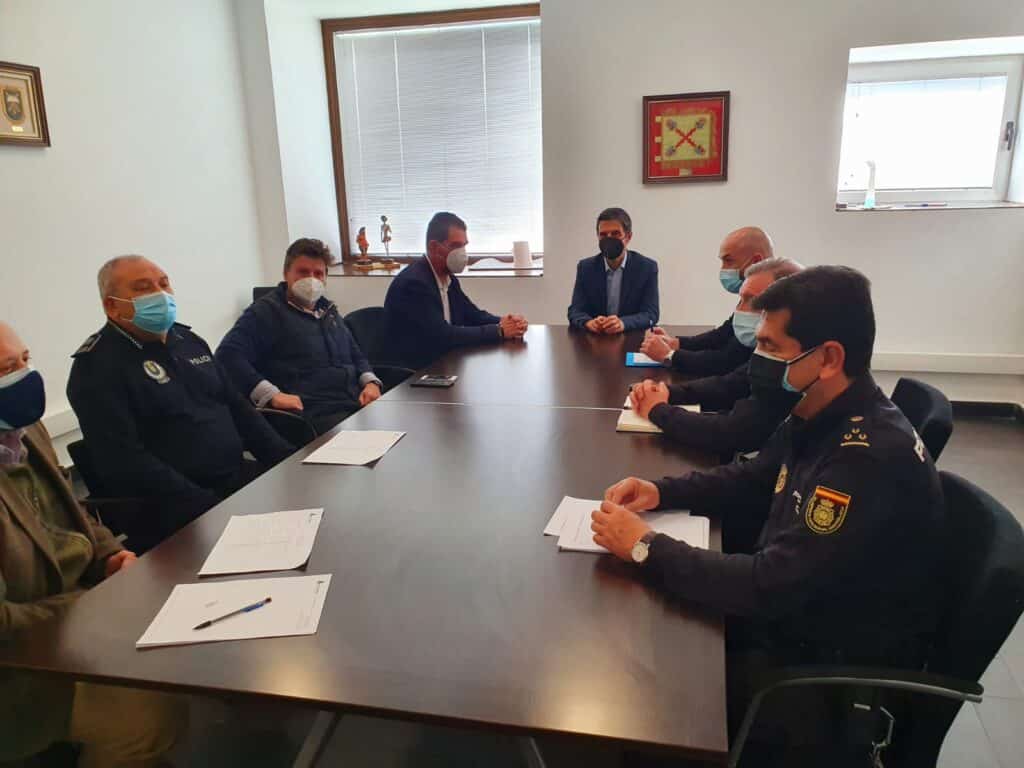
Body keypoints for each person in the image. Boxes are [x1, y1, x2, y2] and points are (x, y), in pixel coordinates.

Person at [594, 266, 944, 758]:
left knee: (645, 687)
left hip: (817, 669)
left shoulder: (864, 457)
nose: (757, 360)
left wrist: (644, 545)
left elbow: (768, 585)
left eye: (771, 347)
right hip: (795, 615)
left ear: (828, 358)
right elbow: (752, 477)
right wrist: (658, 491)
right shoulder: (819, 409)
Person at [0, 322, 186, 767]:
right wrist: (92, 605)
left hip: (81, 621)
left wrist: (109, 556)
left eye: (25, 360)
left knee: (181, 659)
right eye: (6, 369)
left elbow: (75, 512)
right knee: (146, 717)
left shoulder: (25, 430)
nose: (25, 376)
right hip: (22, 666)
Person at [67, 256, 294, 552]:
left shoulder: (188, 340)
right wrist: (211, 508)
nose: (160, 294)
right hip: (173, 510)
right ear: (112, 306)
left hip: (235, 479)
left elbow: (237, 408)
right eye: (143, 288)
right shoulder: (96, 368)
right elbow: (126, 462)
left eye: (164, 284)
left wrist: (288, 461)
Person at [629, 258, 804, 456]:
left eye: (751, 301)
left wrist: (658, 409)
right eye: (741, 300)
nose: (740, 310)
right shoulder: (772, 351)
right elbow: (730, 385)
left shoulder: (793, 365)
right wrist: (666, 392)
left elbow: (734, 431)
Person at [216, 238, 383, 436]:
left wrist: (371, 382)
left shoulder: (327, 310)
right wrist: (271, 394)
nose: (311, 280)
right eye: (303, 272)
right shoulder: (264, 313)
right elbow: (227, 356)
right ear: (286, 274)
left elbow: (355, 354)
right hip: (311, 416)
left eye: (318, 273)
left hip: (354, 405)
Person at [384, 211, 528, 369]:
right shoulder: (414, 284)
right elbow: (443, 335)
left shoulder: (448, 278)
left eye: (464, 245)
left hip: (444, 363)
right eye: (456, 246)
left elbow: (472, 315)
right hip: (414, 373)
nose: (462, 253)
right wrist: (499, 331)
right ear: (434, 247)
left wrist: (507, 322)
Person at [640, 226, 773, 375]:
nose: (723, 269)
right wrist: (676, 343)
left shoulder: (774, 304)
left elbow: (726, 361)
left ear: (756, 261)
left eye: (729, 261)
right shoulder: (752, 293)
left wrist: (669, 355)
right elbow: (722, 335)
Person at [567, 207, 659, 334]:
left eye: (615, 234)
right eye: (603, 235)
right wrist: (588, 322)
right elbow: (575, 311)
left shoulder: (646, 267)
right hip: (595, 339)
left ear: (628, 237)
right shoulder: (586, 268)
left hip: (632, 338)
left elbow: (651, 314)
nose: (609, 239)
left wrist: (623, 323)